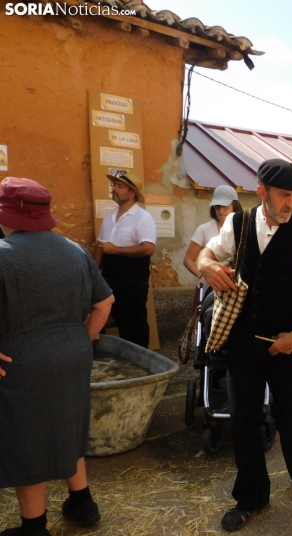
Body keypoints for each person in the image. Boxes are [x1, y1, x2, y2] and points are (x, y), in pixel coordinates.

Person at [197, 159, 292, 532]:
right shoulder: (238, 224)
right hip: (244, 344)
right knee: (243, 419)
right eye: (283, 195)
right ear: (261, 192)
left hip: (291, 343)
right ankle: (250, 498)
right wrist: (206, 266)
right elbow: (205, 253)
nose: (291, 202)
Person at [0, 177, 115, 536]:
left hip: (21, 360)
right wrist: (86, 335)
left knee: (27, 440)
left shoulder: (3, 255)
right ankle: (82, 504)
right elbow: (105, 302)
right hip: (74, 354)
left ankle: (33, 528)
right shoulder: (75, 250)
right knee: (69, 425)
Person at [94, 172, 156, 348]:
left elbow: (148, 248)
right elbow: (100, 246)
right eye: (113, 185)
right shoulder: (109, 216)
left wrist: (115, 250)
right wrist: (93, 273)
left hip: (132, 281)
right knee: (104, 319)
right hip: (109, 277)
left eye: (119, 186)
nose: (113, 189)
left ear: (132, 193)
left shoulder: (143, 217)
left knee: (133, 324)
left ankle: (140, 364)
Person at [183, 184, 242, 310]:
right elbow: (188, 260)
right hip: (208, 289)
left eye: (225, 206)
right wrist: (203, 275)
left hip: (235, 288)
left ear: (234, 206)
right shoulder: (204, 229)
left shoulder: (242, 228)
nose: (221, 211)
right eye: (217, 207)